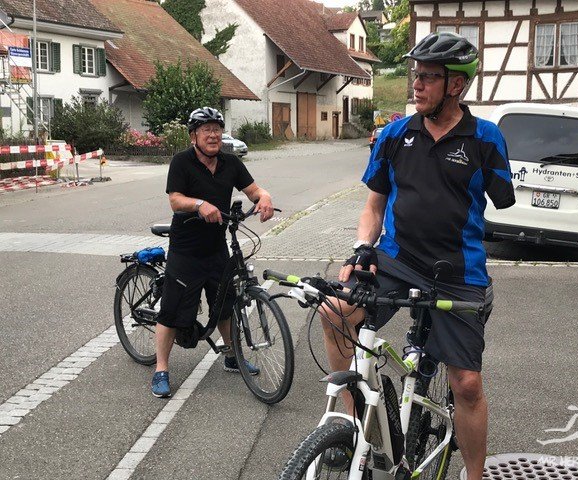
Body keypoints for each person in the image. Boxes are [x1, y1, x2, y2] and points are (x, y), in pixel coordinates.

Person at [320, 32, 515, 480]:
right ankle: (351, 422)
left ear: (456, 85)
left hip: (458, 272)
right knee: (334, 312)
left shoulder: (486, 139)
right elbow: (373, 206)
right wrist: (362, 247)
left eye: (429, 76)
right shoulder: (394, 135)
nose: (417, 84)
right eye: (416, 74)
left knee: (467, 384)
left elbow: (503, 197)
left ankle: (474, 475)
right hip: (397, 260)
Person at [152, 107, 274, 399]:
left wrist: (264, 197)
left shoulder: (230, 163)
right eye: (206, 130)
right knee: (171, 309)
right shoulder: (181, 161)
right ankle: (161, 369)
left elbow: (253, 190)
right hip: (186, 249)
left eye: (217, 129)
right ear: (193, 136)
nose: (213, 135)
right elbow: (175, 200)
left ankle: (231, 355)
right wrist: (199, 204)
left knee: (225, 303)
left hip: (216, 246)